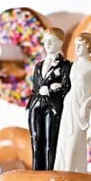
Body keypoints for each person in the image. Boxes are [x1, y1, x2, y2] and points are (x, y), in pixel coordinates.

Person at [54, 33, 91, 173]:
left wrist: (86, 104)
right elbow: (71, 84)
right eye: (76, 45)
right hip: (69, 102)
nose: (76, 48)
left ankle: (69, 173)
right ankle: (63, 170)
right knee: (65, 137)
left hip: (81, 104)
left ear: (88, 46)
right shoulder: (75, 64)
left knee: (75, 138)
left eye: (80, 45)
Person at [27, 28, 72, 170]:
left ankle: (49, 171)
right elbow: (35, 87)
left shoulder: (65, 65)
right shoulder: (39, 65)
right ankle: (36, 171)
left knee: (50, 140)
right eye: (46, 41)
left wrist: (52, 89)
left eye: (51, 41)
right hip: (36, 104)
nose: (48, 44)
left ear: (60, 43)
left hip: (52, 106)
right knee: (36, 138)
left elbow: (67, 87)